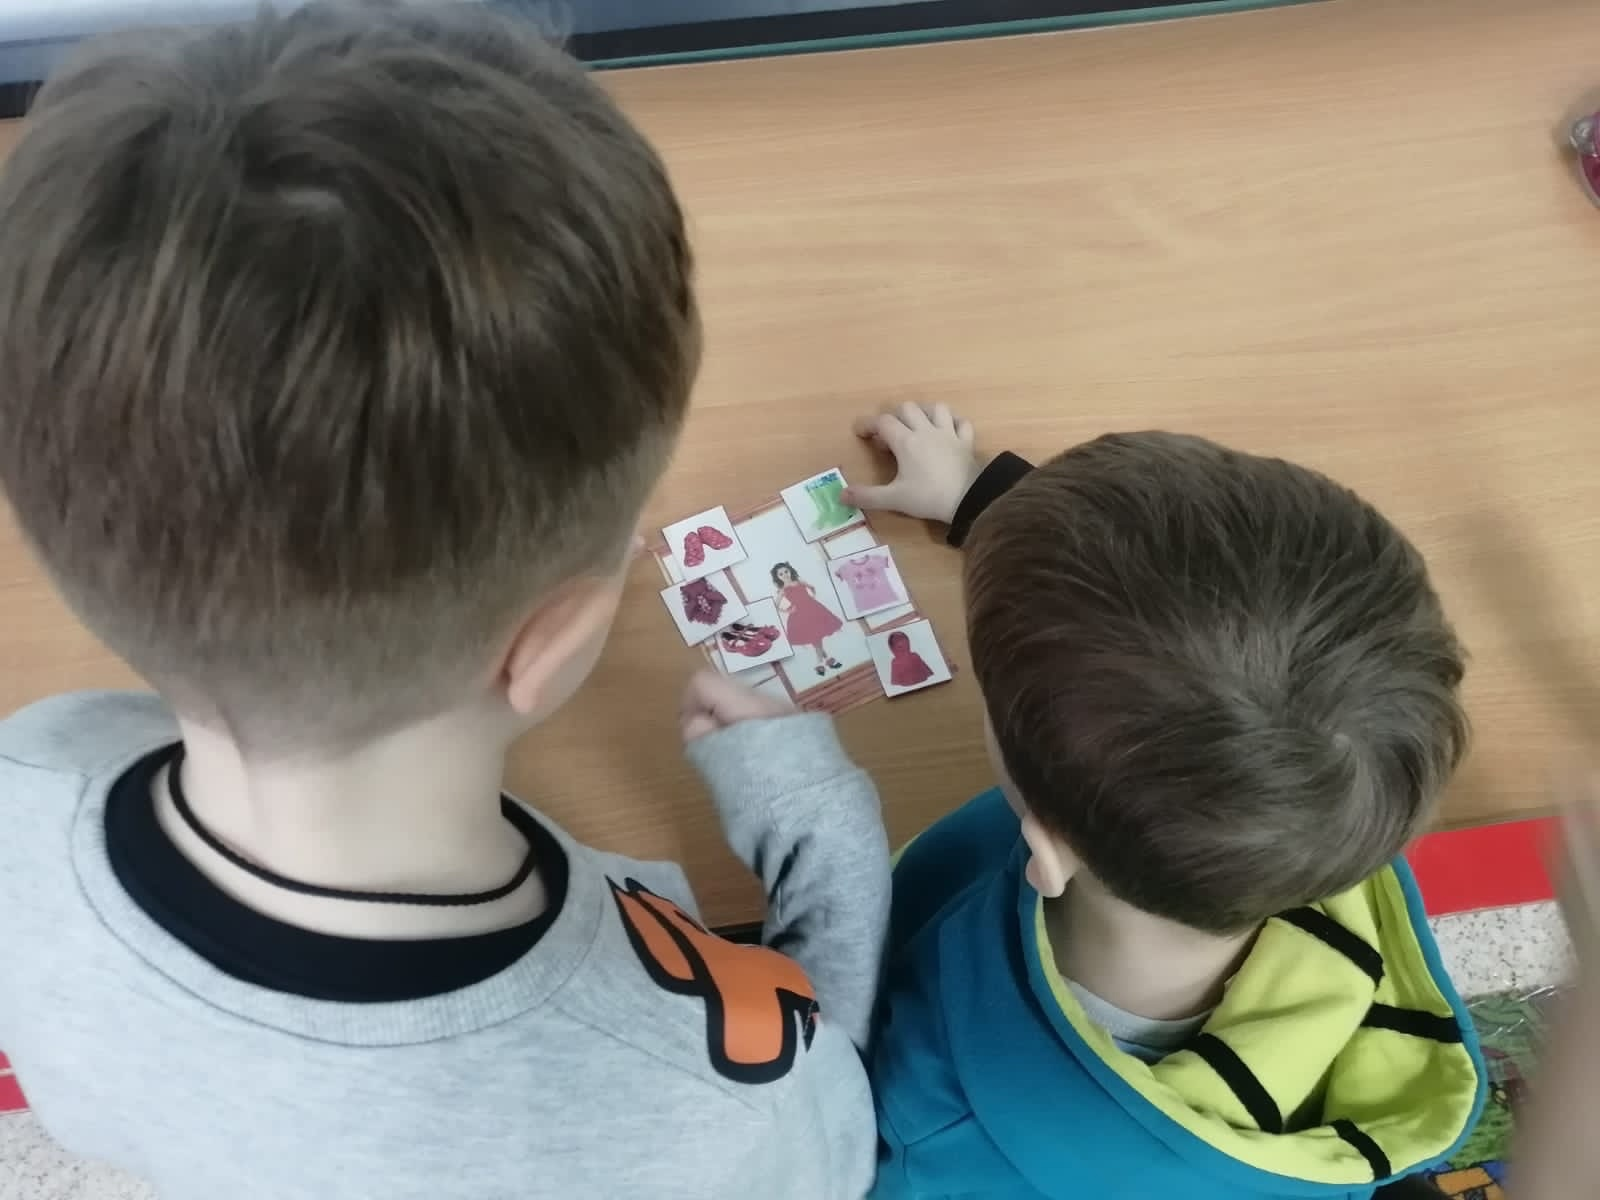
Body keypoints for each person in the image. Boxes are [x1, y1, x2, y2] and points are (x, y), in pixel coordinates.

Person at [0, 6, 888, 1198]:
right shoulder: (699, 1107)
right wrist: (821, 832)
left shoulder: (29, 772)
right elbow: (822, 1122)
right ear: (550, 643)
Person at [842, 403, 1485, 1200]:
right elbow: (1195, 638)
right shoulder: (1317, 802)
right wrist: (987, 500)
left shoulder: (933, 1134)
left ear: (1046, 850)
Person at [772, 562, 846, 675]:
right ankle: (820, 663)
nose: (785, 575)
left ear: (790, 571)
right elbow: (775, 606)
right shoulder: (783, 590)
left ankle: (826, 661)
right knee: (815, 637)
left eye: (786, 571)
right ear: (778, 577)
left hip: (814, 610)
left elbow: (812, 587)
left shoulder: (799, 582)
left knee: (816, 637)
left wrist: (812, 597)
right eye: (781, 574)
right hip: (800, 615)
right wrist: (788, 610)